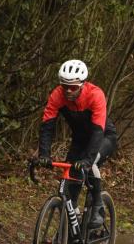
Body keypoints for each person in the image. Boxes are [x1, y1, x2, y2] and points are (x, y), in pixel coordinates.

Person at [37, 59, 117, 229]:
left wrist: (87, 161)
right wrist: (44, 154)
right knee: (69, 187)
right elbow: (47, 127)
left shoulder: (95, 95)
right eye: (64, 86)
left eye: (73, 87)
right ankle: (73, 227)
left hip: (103, 137)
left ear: (82, 84)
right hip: (80, 140)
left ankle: (97, 206)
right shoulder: (57, 95)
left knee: (90, 164)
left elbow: (97, 132)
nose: (68, 91)